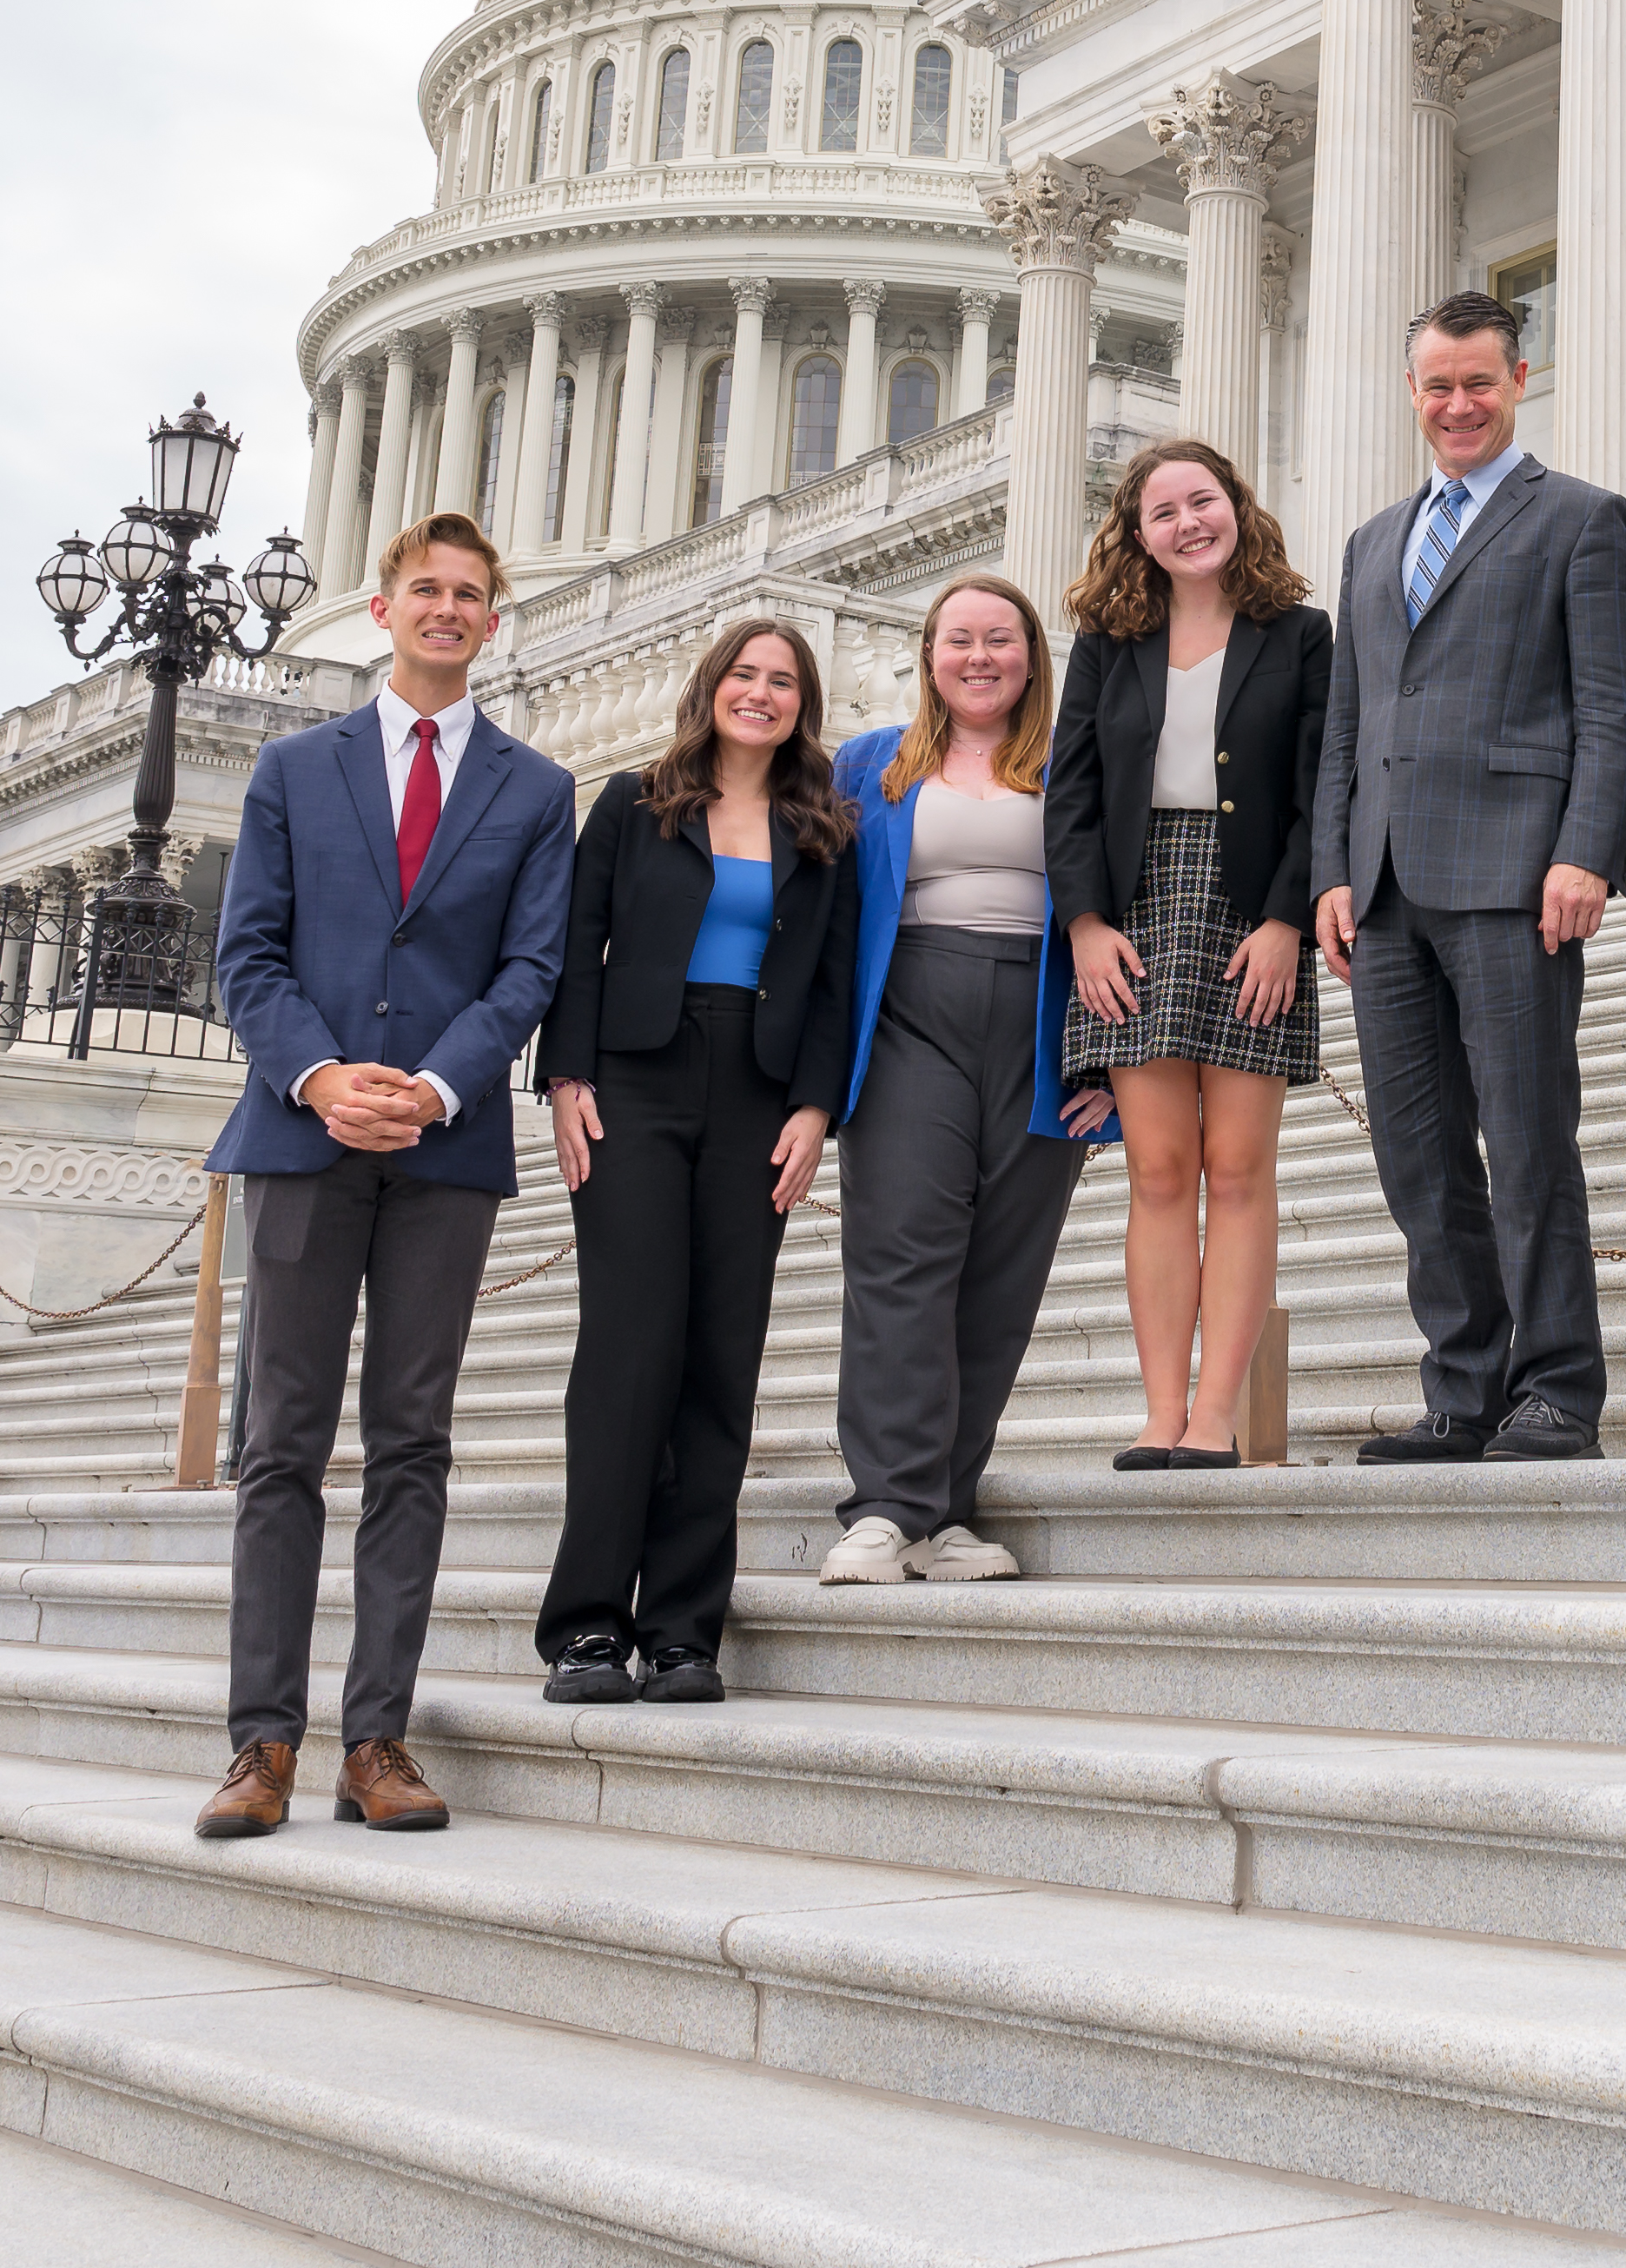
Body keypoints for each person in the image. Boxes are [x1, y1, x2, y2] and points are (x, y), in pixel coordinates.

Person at [196, 512, 574, 1837]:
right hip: (301, 1139)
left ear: (491, 617)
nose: (449, 610)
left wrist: (434, 1086)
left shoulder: (535, 791)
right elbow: (249, 955)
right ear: (382, 605)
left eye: (472, 593)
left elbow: (531, 969)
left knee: (412, 1443)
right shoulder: (297, 770)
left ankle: (378, 1742)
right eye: (429, 589)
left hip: (446, 1147)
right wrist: (321, 1077)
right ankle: (260, 1748)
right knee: (278, 1448)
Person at [1312, 290, 1626, 1463]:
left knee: (1527, 1136)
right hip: (1386, 889)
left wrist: (1587, 852)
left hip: (1516, 878)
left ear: (1518, 380)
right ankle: (1462, 1390)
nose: (1458, 404)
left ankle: (1556, 1387)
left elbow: (1613, 708)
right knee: (1419, 1155)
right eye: (1437, 385)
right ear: (1413, 394)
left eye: (1479, 382)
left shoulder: (1584, 519)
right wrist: (1331, 872)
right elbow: (1348, 726)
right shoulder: (1370, 541)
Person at [532, 615, 856, 1703]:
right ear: (711, 685)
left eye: (783, 681)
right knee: (629, 1353)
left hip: (758, 1093)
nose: (760, 693)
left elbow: (833, 985)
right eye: (744, 674)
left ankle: (681, 1631)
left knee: (722, 1358)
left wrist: (816, 1106)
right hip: (635, 1083)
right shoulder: (633, 803)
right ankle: (586, 1626)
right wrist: (566, 1077)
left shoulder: (825, 828)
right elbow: (578, 943)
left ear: (803, 705)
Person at [821, 575, 1112, 1584]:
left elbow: (1125, 903)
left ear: (1032, 654)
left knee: (1003, 1275)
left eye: (1000, 639)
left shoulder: (1075, 762)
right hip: (909, 1018)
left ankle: (948, 1511)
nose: (979, 656)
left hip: (1038, 1023)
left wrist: (1111, 1061)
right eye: (960, 640)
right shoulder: (868, 765)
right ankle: (884, 1505)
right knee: (902, 1255)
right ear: (930, 655)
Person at [1048, 440, 1334, 1468]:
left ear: (1236, 505)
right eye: (1160, 511)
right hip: (1133, 909)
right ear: (1137, 534)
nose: (1186, 523)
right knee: (1160, 1170)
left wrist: (1285, 919)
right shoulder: (1104, 642)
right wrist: (1084, 923)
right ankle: (1161, 1411)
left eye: (1200, 500)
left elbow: (1319, 789)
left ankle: (1218, 1416)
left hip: (1252, 904)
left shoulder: (1301, 635)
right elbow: (1071, 791)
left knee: (1238, 1165)